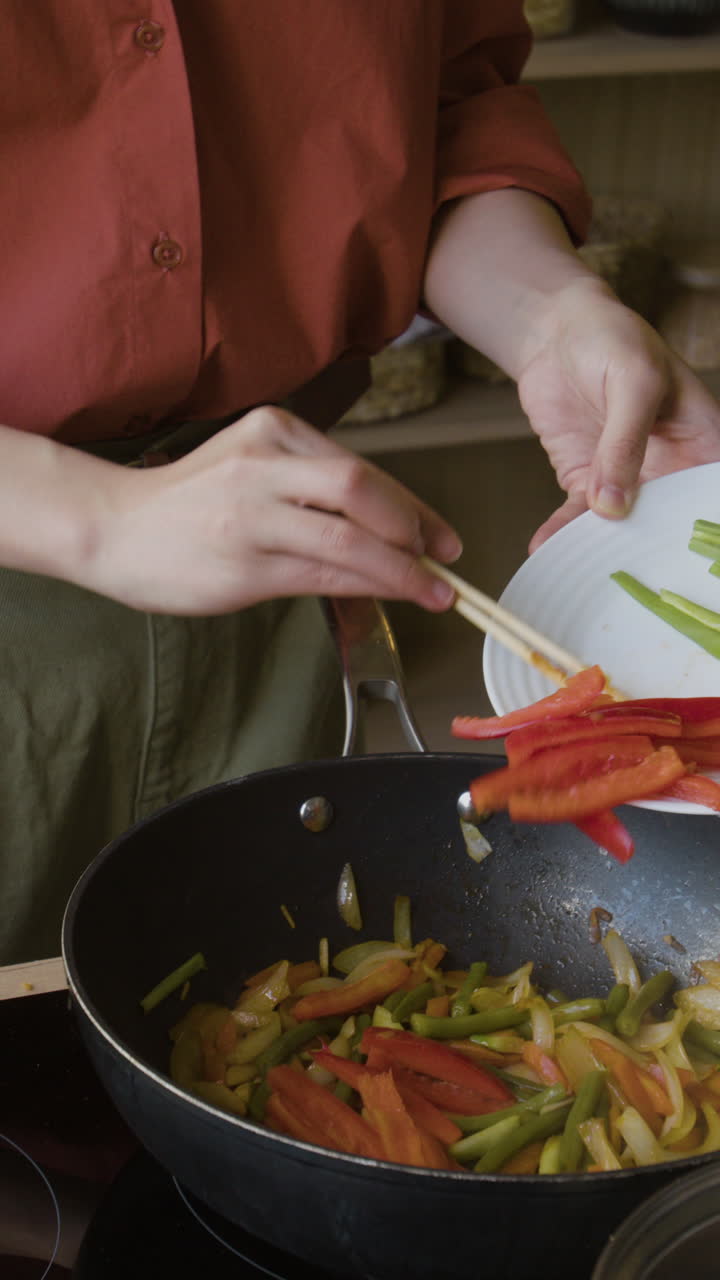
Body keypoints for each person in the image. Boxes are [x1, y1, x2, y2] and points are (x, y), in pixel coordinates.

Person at [2, 1, 719, 965]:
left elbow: (444, 118)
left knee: (250, 982)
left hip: (256, 561)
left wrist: (552, 316)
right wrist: (95, 517)